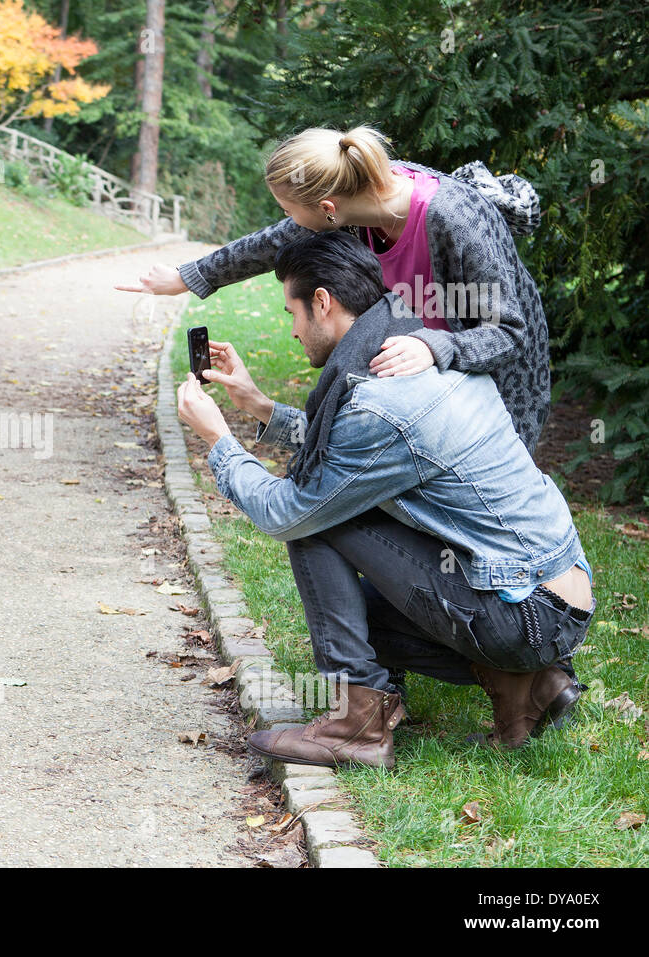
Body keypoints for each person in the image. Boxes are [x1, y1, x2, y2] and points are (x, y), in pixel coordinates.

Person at [175, 231, 591, 771]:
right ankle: (528, 685)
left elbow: (289, 510)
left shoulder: (378, 399)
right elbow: (363, 451)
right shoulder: (412, 344)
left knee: (314, 518)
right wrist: (258, 405)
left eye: (292, 313)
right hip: (556, 598)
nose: (294, 330)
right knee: (350, 594)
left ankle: (358, 727)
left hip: (526, 613)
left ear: (323, 302)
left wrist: (219, 442)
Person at [123, 125, 551, 453]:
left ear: (327, 210)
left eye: (289, 210)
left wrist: (435, 347)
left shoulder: (455, 218)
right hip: (418, 386)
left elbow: (510, 332)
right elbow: (271, 243)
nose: (287, 223)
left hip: (494, 399)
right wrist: (187, 277)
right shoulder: (358, 203)